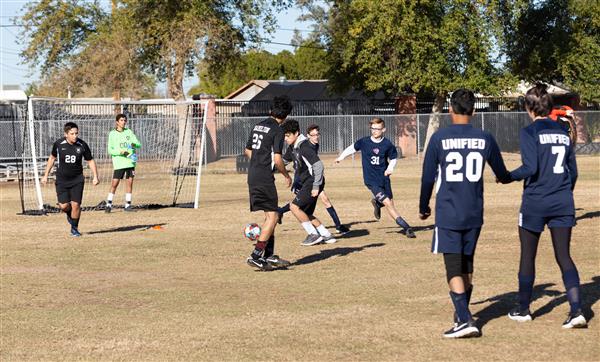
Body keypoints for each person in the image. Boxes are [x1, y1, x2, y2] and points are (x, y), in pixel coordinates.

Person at [419, 89, 511, 338]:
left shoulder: (439, 138)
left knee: (453, 267)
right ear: (473, 110)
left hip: (449, 212)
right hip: (474, 211)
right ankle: (462, 314)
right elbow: (502, 173)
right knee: (467, 264)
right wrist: (508, 178)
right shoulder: (485, 137)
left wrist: (423, 206)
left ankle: (465, 319)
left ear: (450, 109)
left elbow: (428, 177)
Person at [506, 84, 585, 329]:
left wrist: (507, 176)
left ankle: (523, 308)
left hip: (535, 202)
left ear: (529, 108)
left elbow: (530, 168)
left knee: (528, 255)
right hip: (562, 201)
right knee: (564, 256)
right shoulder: (563, 132)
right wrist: (563, 194)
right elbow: (573, 173)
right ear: (550, 106)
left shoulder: (529, 132)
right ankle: (577, 311)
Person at [335, 117, 416, 238]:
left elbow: (393, 158)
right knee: (388, 203)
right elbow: (352, 148)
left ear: (383, 129)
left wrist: (390, 168)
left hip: (384, 179)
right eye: (372, 128)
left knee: (391, 204)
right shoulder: (364, 142)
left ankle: (377, 204)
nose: (374, 131)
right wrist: (341, 157)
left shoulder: (387, 144)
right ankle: (407, 227)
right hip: (371, 181)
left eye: (377, 129)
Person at [244, 95, 293, 271]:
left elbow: (247, 150)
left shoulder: (258, 125)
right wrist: (286, 175)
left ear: (270, 110)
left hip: (253, 175)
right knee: (273, 216)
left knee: (269, 218)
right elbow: (278, 159)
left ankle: (269, 256)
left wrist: (258, 162)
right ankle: (256, 256)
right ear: (286, 115)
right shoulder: (278, 130)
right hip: (264, 177)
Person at [278, 124, 350, 235]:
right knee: (299, 206)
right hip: (303, 180)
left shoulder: (313, 145)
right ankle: (334, 228)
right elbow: (287, 161)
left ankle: (330, 230)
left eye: (317, 134)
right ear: (308, 136)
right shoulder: (303, 145)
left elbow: (314, 164)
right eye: (313, 135)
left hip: (310, 179)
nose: (316, 137)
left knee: (301, 206)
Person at [41, 122, 100, 236]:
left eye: (76, 133)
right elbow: (52, 158)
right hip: (62, 180)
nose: (75, 136)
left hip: (77, 179)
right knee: (64, 206)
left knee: (76, 205)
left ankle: (74, 228)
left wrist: (95, 176)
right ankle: (70, 214)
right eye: (72, 134)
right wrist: (45, 175)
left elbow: (90, 160)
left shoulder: (82, 145)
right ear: (66, 134)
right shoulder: (58, 144)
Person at [105, 113, 141, 212]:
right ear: (117, 122)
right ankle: (108, 204)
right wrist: (120, 152)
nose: (123, 122)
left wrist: (133, 144)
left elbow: (138, 144)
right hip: (119, 163)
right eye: (121, 120)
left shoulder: (129, 132)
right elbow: (110, 150)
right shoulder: (112, 134)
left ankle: (128, 205)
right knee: (114, 183)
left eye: (125, 120)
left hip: (130, 162)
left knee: (129, 183)